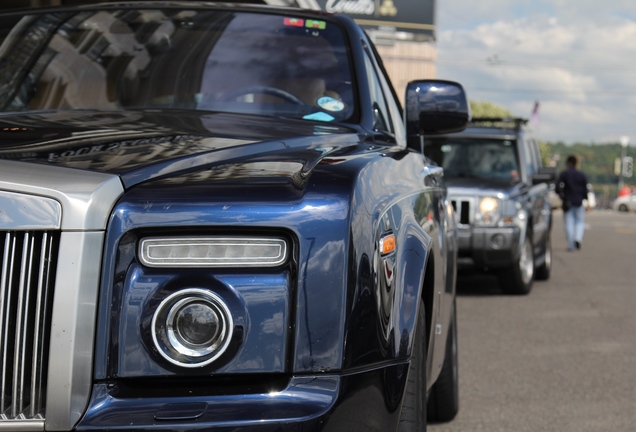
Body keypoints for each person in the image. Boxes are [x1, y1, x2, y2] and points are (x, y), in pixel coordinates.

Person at [557, 155, 590, 251]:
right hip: (579, 201)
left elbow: (557, 187)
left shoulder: (564, 174)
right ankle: (578, 238)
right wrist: (586, 200)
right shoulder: (582, 174)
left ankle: (571, 245)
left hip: (567, 201)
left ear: (568, 163)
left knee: (568, 223)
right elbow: (585, 189)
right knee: (580, 222)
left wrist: (561, 195)